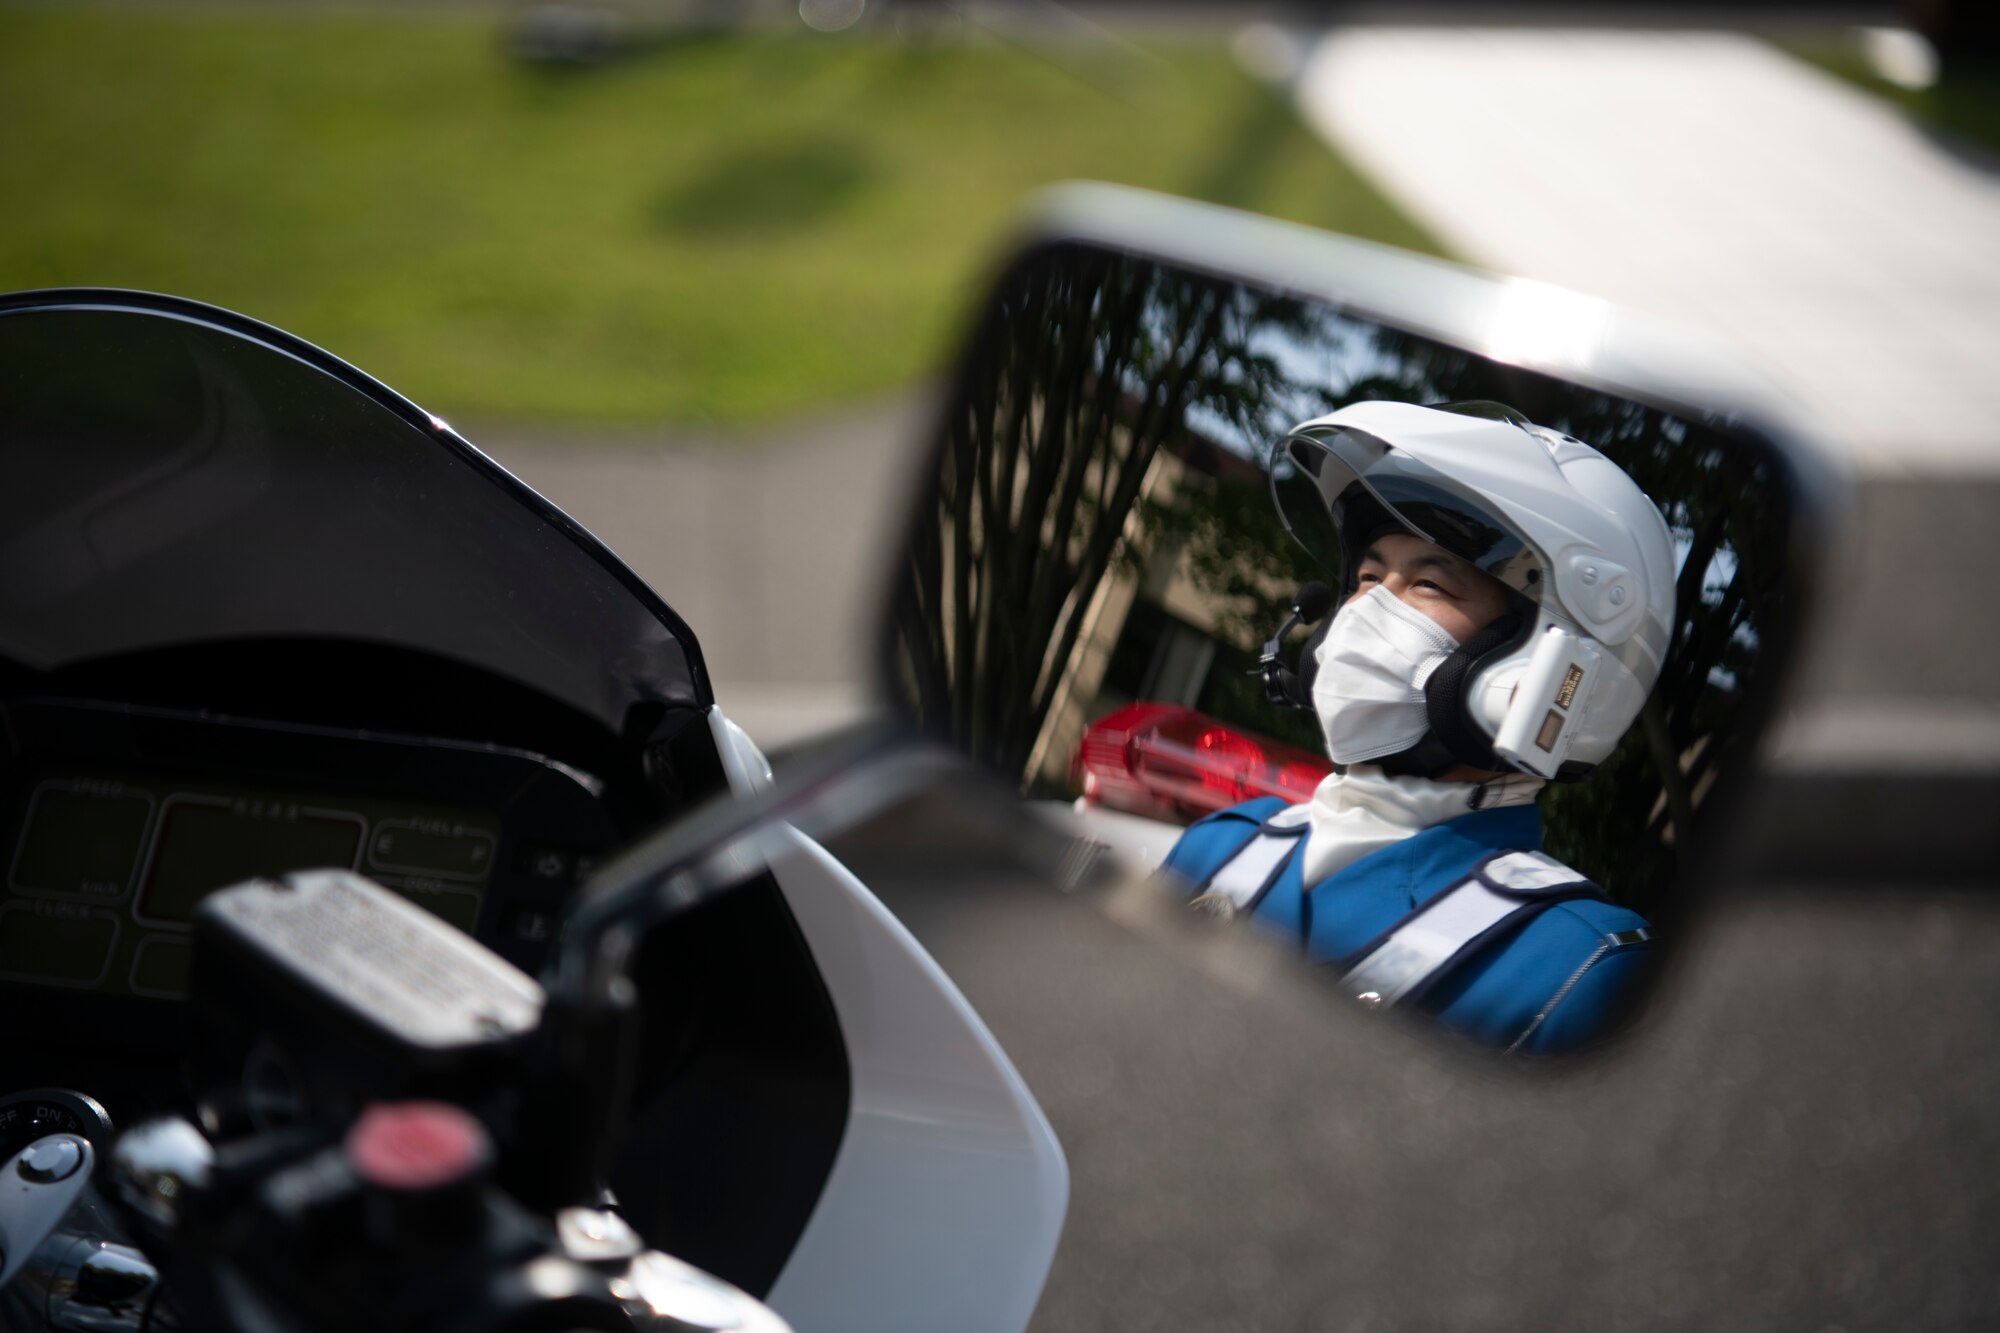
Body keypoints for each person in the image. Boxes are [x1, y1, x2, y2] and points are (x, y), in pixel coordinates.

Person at [1159, 400, 1676, 1055]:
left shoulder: (1582, 970)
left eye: (1429, 582)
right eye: (1369, 574)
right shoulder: (1220, 849)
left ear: (1555, 659)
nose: (1368, 608)